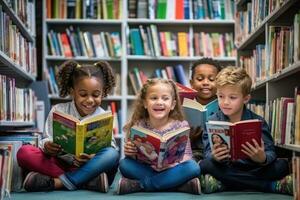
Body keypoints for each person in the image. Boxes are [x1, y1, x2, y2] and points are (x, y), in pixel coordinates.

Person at [17, 60, 119, 192]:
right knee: (24, 152)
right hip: (61, 165)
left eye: (96, 95)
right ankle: (87, 182)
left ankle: (60, 182)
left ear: (103, 93)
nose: (89, 100)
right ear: (72, 91)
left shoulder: (104, 116)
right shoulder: (58, 110)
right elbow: (46, 139)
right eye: (83, 94)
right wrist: (48, 146)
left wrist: (93, 157)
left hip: (92, 166)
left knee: (112, 154)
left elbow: (109, 147)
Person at [200, 66, 293, 194]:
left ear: (246, 98)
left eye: (232, 97)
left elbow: (270, 151)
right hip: (227, 167)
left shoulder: (258, 121)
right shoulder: (211, 122)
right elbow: (207, 152)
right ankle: (269, 186)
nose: (225, 102)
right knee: (205, 165)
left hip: (253, 167)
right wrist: (214, 156)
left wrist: (262, 158)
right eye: (221, 96)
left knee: (282, 166)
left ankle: (224, 184)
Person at [117, 78, 200, 195]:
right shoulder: (139, 125)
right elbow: (133, 157)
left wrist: (172, 164)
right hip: (147, 169)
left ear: (172, 104)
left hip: (172, 169)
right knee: (124, 164)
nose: (159, 102)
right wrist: (130, 153)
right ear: (145, 103)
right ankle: (178, 185)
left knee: (193, 167)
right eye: (154, 98)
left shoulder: (181, 125)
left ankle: (141, 185)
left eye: (165, 98)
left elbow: (187, 155)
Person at [189, 57, 222, 162]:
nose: (205, 82)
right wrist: (188, 138)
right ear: (191, 83)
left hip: (219, 152)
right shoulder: (184, 107)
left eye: (212, 79)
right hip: (193, 151)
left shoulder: (226, 105)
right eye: (200, 79)